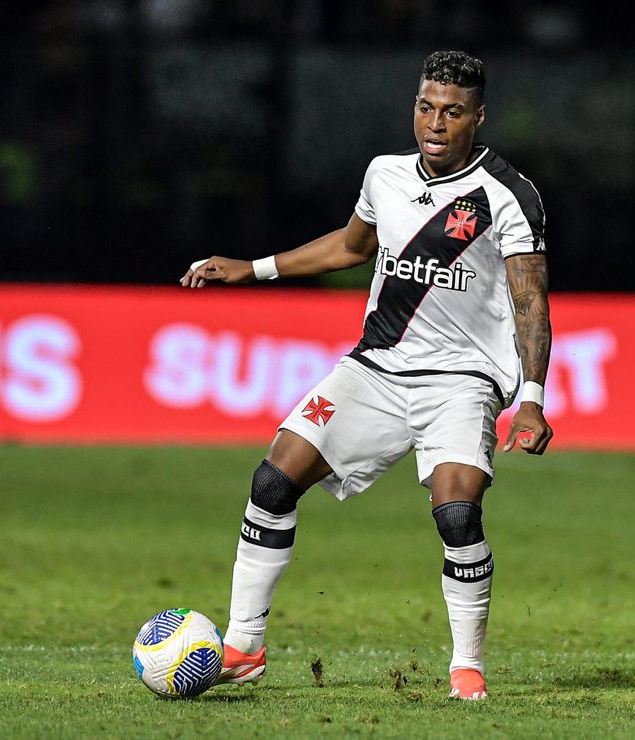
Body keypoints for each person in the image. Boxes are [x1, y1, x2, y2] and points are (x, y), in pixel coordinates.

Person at [179, 50, 552, 701]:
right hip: (375, 369)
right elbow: (352, 247)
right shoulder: (385, 174)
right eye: (425, 106)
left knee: (457, 513)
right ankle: (244, 644)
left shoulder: (506, 196)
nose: (435, 122)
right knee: (273, 479)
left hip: (461, 381)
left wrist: (532, 398)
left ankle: (467, 667)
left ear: (478, 117)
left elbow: (530, 301)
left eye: (452, 111)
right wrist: (254, 268)